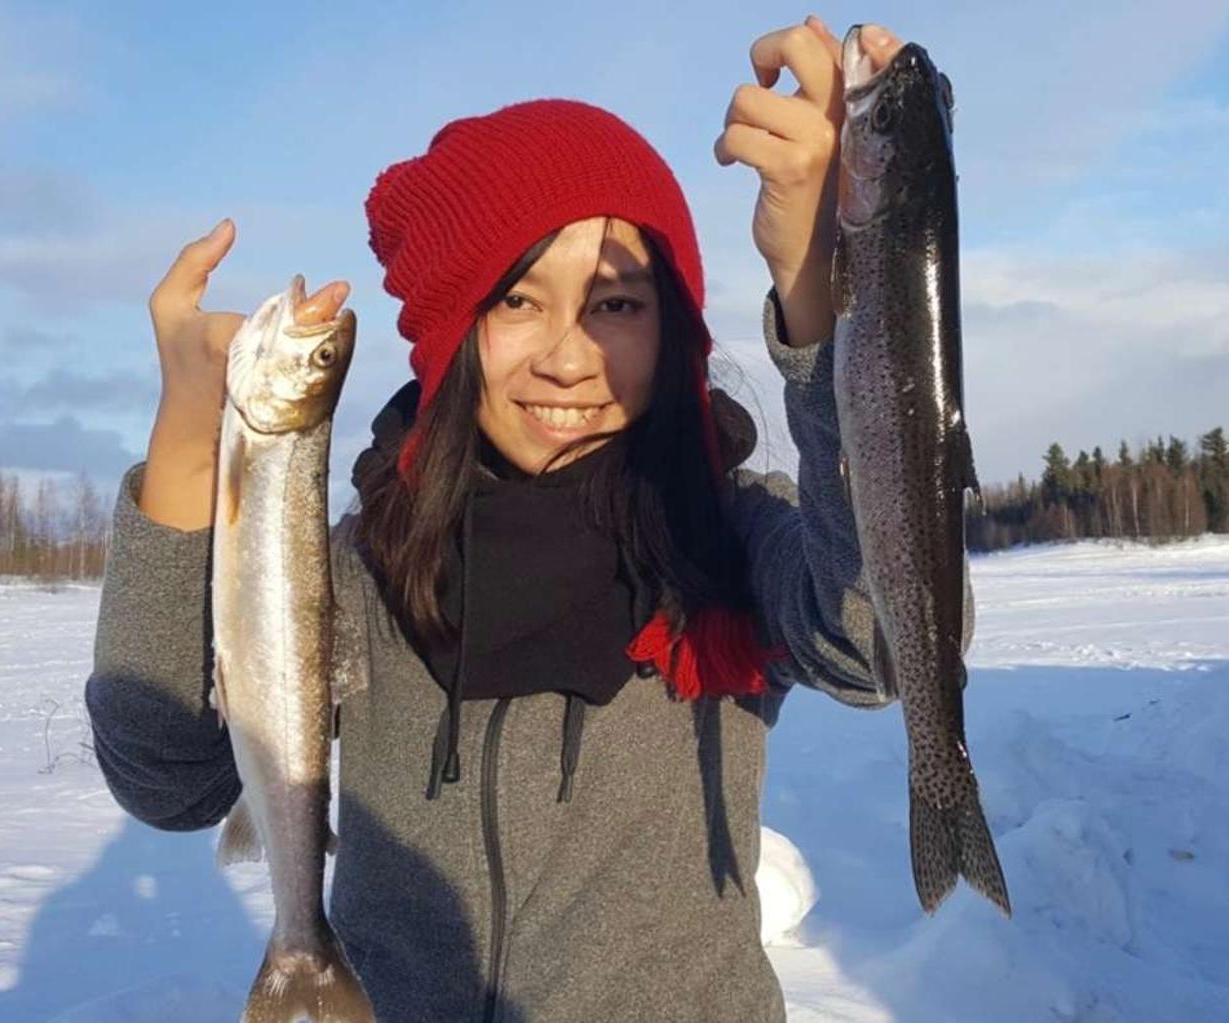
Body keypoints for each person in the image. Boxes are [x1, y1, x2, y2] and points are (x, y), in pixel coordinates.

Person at [86, 16, 924, 1022]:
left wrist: (823, 300)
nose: (567, 358)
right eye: (517, 301)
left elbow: (880, 642)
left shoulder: (728, 543)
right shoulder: (359, 575)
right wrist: (188, 444)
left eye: (616, 304)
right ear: (451, 330)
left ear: (675, 327)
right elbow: (167, 781)